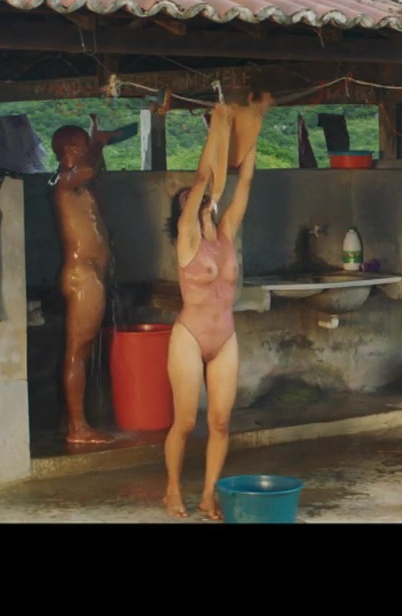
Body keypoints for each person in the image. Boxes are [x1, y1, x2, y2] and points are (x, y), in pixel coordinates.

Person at [163, 94, 272, 519]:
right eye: (190, 198)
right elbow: (202, 177)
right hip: (190, 336)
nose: (200, 197)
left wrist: (252, 128)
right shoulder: (187, 237)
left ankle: (209, 494)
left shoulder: (225, 232)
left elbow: (244, 182)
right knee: (186, 422)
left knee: (221, 422)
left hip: (224, 336)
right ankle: (173, 489)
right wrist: (217, 127)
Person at [50, 115, 134, 445]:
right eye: (85, 146)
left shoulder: (79, 186)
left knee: (81, 351)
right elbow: (88, 169)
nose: (90, 153)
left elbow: (94, 173)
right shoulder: (64, 180)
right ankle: (78, 428)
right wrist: (99, 143)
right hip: (82, 277)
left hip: (91, 276)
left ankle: (68, 419)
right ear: (72, 150)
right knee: (78, 350)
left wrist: (99, 146)